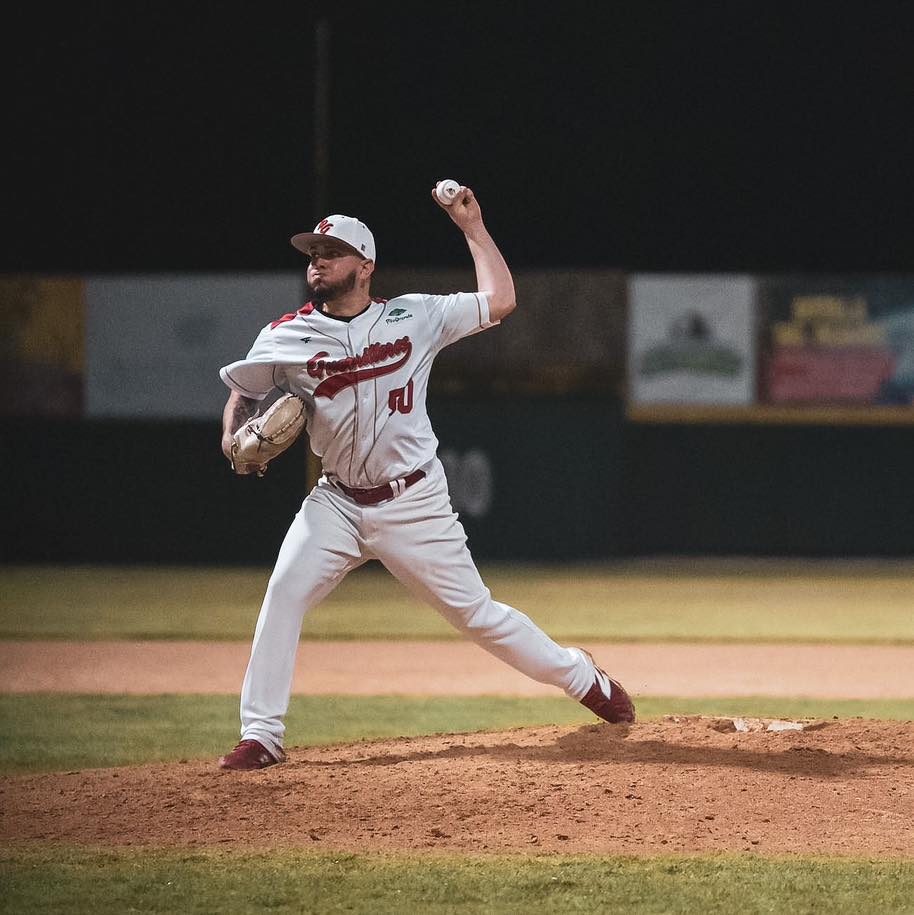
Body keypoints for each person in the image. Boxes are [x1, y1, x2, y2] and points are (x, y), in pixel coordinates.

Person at [216, 183, 635, 770]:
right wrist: (234, 439)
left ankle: (581, 676)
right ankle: (261, 735)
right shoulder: (285, 333)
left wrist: (472, 227)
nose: (318, 261)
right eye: (313, 253)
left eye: (331, 252)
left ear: (365, 266)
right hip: (336, 501)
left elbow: (500, 300)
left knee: (478, 617)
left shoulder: (414, 316)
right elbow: (243, 391)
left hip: (412, 501)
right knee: (283, 596)